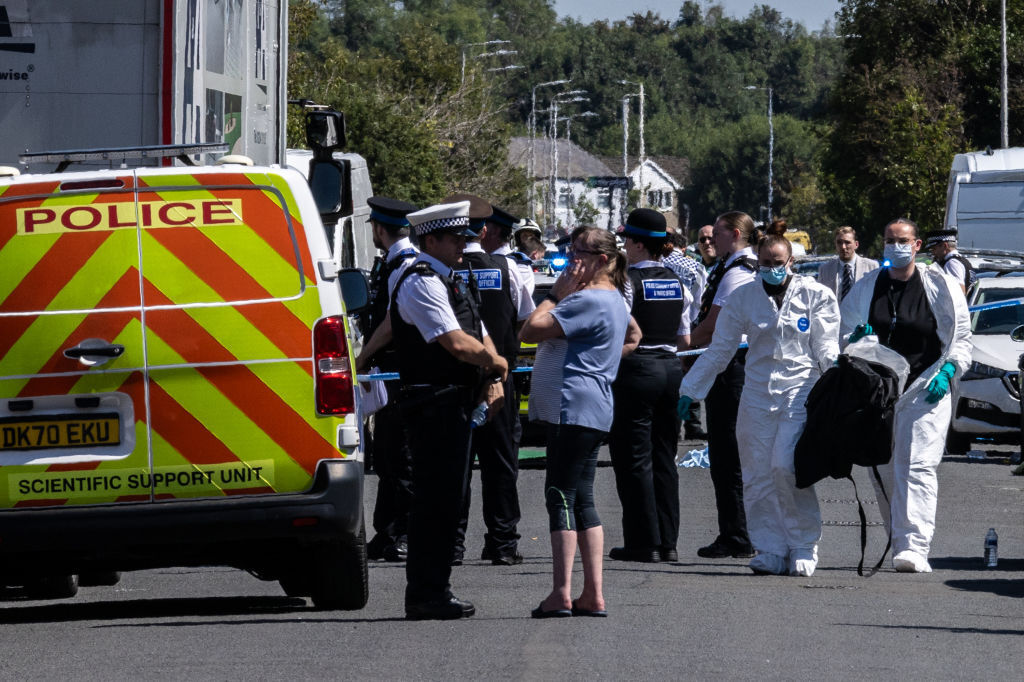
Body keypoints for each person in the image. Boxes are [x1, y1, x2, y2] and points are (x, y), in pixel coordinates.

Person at [678, 233, 840, 575]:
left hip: (799, 393)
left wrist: (839, 379)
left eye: (778, 264)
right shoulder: (743, 298)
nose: (771, 270)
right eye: (765, 263)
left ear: (790, 262)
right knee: (757, 475)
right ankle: (769, 548)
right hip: (756, 395)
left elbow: (825, 349)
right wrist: (690, 390)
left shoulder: (816, 296)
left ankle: (802, 544)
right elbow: (721, 349)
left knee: (787, 468)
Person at [390, 200, 509, 620]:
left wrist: (492, 376)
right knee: (435, 502)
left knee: (449, 499)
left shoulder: (452, 278)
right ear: (430, 239)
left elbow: (481, 331)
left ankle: (436, 588)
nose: (465, 244)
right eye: (456, 238)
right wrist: (498, 366)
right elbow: (455, 342)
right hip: (433, 403)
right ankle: (426, 593)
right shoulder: (420, 281)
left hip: (456, 401)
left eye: (465, 237)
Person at [519, 226, 639, 618]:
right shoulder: (615, 299)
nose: (572, 261)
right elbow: (634, 333)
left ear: (602, 260)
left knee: (560, 496)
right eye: (571, 252)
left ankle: (562, 592)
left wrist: (555, 294)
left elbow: (529, 331)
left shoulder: (585, 299)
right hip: (591, 405)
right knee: (582, 499)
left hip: (573, 406)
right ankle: (592, 593)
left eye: (580, 254)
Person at [840, 217, 971, 573]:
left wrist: (949, 370)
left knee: (916, 466)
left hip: (925, 387)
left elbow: (960, 337)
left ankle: (915, 545)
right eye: (888, 240)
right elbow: (842, 335)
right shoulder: (868, 288)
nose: (894, 246)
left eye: (902, 240)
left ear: (916, 246)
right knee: (883, 467)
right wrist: (856, 340)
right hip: (879, 390)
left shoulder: (939, 285)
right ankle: (899, 538)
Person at [446, 194, 536, 566]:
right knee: (500, 463)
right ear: (484, 230)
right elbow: (524, 323)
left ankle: (452, 545)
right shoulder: (508, 269)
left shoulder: (442, 269)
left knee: (456, 466)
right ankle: (502, 543)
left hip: (456, 382)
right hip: (500, 379)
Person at [608, 209, 693, 563]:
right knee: (664, 457)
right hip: (671, 369)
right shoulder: (677, 281)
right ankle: (668, 542)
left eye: (627, 240)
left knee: (633, 459)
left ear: (638, 244)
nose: (624, 245)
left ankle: (643, 541)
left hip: (637, 369)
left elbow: (618, 333)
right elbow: (685, 338)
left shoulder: (626, 283)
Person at [687, 211, 760, 559]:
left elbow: (712, 326)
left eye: (716, 233)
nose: (710, 239)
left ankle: (737, 534)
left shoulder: (738, 273)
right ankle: (735, 531)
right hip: (729, 365)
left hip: (731, 368)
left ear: (733, 234)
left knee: (727, 454)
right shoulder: (730, 267)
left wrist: (680, 348)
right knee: (727, 453)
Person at [354, 196, 419, 563]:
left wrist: (363, 356)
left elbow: (392, 323)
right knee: (388, 455)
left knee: (402, 456)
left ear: (380, 228)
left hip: (400, 372)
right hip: (388, 372)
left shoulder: (404, 265)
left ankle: (404, 532)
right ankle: (388, 530)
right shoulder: (391, 263)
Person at [817, 226, 880, 302]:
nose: (843, 247)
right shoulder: (825, 270)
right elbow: (820, 299)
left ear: (856, 244)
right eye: (839, 242)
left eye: (847, 242)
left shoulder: (871, 267)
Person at [924, 228, 975, 295]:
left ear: (945, 246)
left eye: (934, 249)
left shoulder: (952, 263)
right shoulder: (963, 260)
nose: (933, 252)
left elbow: (958, 293)